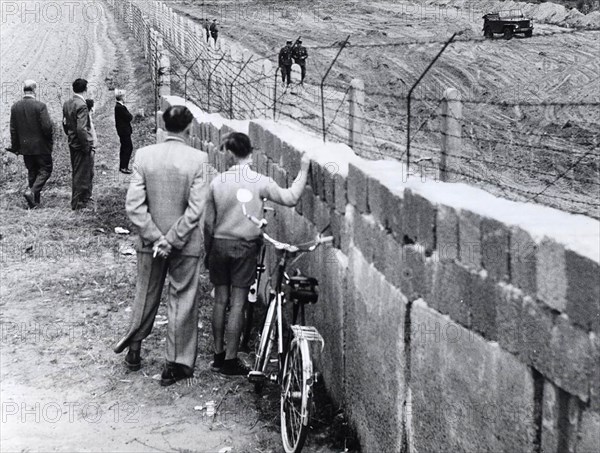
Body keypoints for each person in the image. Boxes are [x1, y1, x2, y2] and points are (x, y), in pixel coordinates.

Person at [113, 105, 210, 387]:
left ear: (163, 127)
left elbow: (133, 205)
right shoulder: (199, 159)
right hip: (185, 243)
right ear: (189, 129)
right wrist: (172, 239)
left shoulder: (144, 156)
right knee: (182, 298)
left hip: (149, 242)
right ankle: (175, 365)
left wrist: (156, 237)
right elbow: (195, 208)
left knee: (145, 293)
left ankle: (134, 351)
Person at [204, 132, 310, 376]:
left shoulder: (217, 182)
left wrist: (208, 250)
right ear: (250, 153)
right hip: (245, 247)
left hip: (219, 245)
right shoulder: (260, 181)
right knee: (238, 302)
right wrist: (303, 169)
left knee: (220, 300)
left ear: (229, 154)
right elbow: (291, 198)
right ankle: (231, 360)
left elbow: (207, 224)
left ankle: (218, 356)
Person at [9, 80, 54, 209]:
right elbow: (47, 127)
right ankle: (32, 192)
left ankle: (34, 203)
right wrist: (49, 141)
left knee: (32, 171)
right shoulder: (40, 106)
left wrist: (16, 147)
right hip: (41, 147)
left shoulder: (15, 107)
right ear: (34, 90)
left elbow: (13, 129)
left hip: (25, 147)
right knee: (46, 169)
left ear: (24, 90)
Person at [63, 78, 93, 210]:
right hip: (81, 144)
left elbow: (64, 123)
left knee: (77, 171)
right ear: (85, 89)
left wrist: (70, 135)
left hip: (72, 142)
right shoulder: (82, 105)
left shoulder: (67, 103)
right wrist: (86, 145)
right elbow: (82, 128)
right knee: (82, 173)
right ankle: (78, 203)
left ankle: (80, 200)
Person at [114, 90, 134, 174]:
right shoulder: (120, 107)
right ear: (122, 97)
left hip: (122, 131)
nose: (125, 98)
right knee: (128, 147)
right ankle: (124, 167)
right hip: (124, 131)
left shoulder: (119, 106)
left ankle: (122, 166)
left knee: (124, 147)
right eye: (125, 96)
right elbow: (129, 117)